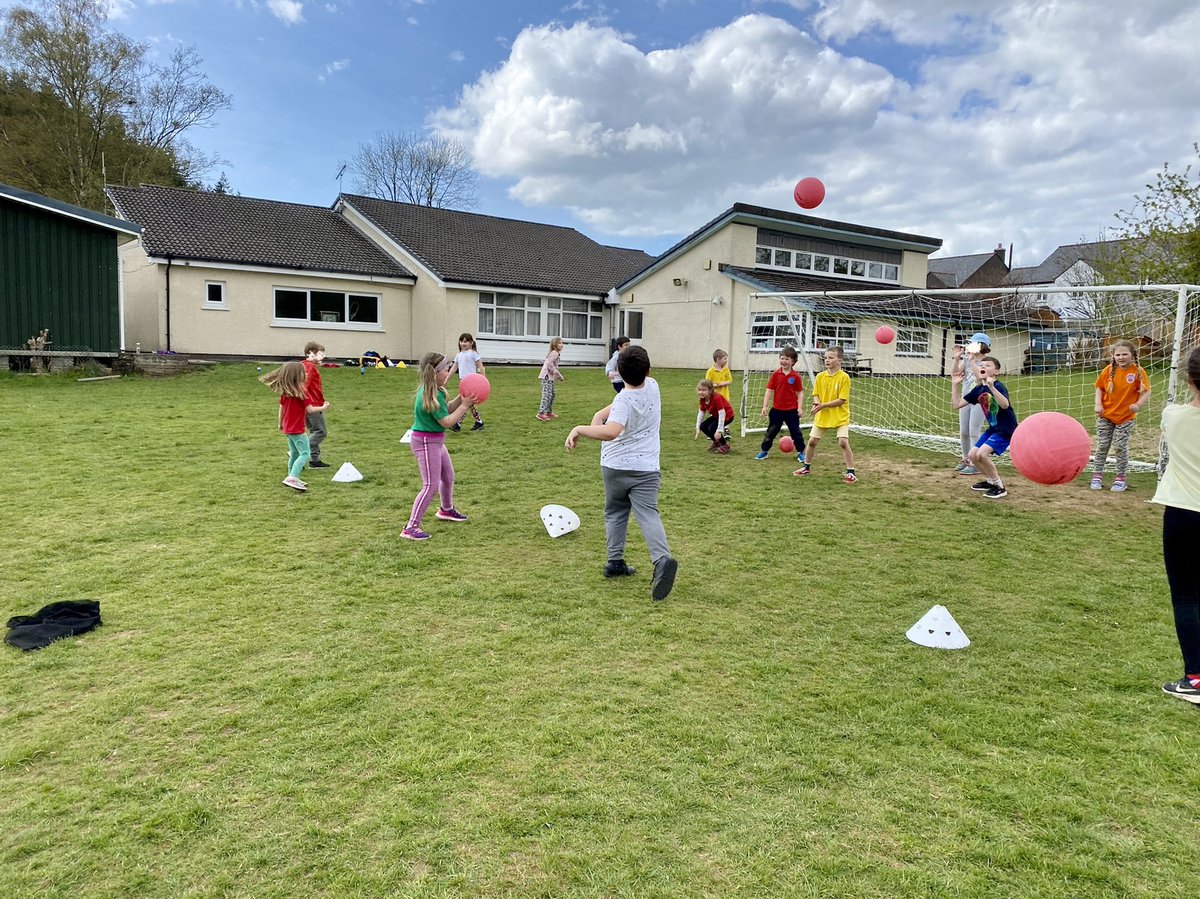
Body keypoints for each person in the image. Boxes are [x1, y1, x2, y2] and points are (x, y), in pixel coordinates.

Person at [566, 345, 678, 601]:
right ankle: (661, 559)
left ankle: (614, 560)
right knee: (648, 513)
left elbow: (612, 430)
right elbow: (619, 407)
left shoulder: (624, 400)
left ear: (617, 373)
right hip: (647, 469)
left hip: (615, 467)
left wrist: (580, 428)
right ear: (648, 370)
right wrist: (600, 413)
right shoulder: (653, 386)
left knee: (615, 511)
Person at [1153, 346, 1200, 704]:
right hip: (1184, 511)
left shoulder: (1173, 415)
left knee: (1186, 597)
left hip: (1184, 515)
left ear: (1187, 379)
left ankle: (1195, 679)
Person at [402, 352, 479, 541]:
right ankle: (411, 526)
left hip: (435, 441)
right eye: (446, 369)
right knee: (430, 485)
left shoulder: (438, 391)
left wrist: (462, 398)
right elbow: (446, 421)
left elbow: (448, 408)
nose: (449, 373)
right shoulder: (428, 396)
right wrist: (465, 406)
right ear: (435, 372)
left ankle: (446, 510)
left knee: (448, 476)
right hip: (426, 443)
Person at [951, 355, 1018, 499]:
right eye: (982, 365)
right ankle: (989, 481)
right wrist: (955, 384)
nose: (983, 367)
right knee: (972, 456)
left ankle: (999, 486)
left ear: (996, 371)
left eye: (988, 365)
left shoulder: (998, 386)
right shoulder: (978, 389)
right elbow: (956, 405)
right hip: (993, 429)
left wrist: (992, 387)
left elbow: (1005, 405)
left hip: (1006, 430)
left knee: (981, 454)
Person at [1091, 339, 1151, 492]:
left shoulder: (1138, 372)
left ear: (1132, 355)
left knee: (1120, 446)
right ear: (1113, 356)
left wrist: (1138, 404)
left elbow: (1147, 391)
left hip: (1126, 417)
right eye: (1118, 354)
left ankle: (1120, 479)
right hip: (1106, 415)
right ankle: (1097, 475)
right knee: (1103, 445)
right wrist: (1098, 404)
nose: (1121, 357)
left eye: (1125, 354)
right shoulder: (1108, 371)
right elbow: (1099, 388)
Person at [794, 346, 855, 482]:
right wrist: (817, 403)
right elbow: (816, 394)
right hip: (823, 415)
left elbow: (841, 400)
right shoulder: (820, 376)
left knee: (843, 442)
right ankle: (806, 467)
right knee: (812, 442)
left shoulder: (844, 377)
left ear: (840, 360)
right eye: (826, 357)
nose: (827, 360)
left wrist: (823, 405)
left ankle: (851, 472)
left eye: (831, 358)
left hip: (840, 416)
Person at [259, 360, 312, 492]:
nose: (306, 373)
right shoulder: (302, 394)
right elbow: (310, 410)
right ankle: (292, 477)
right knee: (305, 453)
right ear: (297, 376)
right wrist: (324, 407)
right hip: (298, 430)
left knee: (294, 453)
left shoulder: (286, 394)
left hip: (288, 429)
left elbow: (281, 410)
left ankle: (292, 476)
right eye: (303, 372)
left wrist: (280, 423)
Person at [755, 346, 806, 463]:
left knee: (796, 432)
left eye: (786, 359)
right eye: (782, 358)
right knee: (771, 432)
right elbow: (769, 391)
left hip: (792, 411)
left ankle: (801, 452)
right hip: (776, 411)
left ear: (793, 361)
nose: (783, 361)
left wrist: (799, 408)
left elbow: (800, 393)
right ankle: (764, 451)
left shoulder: (796, 377)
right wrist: (764, 407)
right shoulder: (775, 375)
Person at [951, 332, 990, 476]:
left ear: (981, 346)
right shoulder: (967, 360)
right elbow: (955, 374)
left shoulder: (987, 361)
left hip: (981, 399)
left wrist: (972, 360)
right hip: (966, 398)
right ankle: (965, 458)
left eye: (973, 343)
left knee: (974, 431)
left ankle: (975, 462)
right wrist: (956, 359)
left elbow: (981, 376)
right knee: (964, 431)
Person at [301, 341, 332, 469]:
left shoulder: (302, 365)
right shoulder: (310, 367)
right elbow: (304, 386)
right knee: (321, 432)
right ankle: (298, 451)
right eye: (320, 354)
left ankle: (315, 460)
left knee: (314, 431)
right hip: (312, 405)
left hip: (308, 404)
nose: (322, 357)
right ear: (310, 353)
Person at [450, 333, 485, 431]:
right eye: (461, 341)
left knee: (466, 402)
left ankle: (458, 424)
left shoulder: (473, 353)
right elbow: (453, 368)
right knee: (469, 404)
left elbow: (481, 367)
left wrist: (483, 380)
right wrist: (446, 379)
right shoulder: (459, 355)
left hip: (471, 382)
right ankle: (479, 422)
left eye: (465, 341)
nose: (463, 343)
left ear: (471, 343)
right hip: (462, 382)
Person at [695, 378, 734, 454]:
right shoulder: (702, 399)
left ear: (710, 390)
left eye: (703, 390)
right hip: (717, 416)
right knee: (703, 426)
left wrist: (719, 431)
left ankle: (725, 445)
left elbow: (722, 414)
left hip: (727, 416)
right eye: (699, 390)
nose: (701, 392)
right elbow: (701, 412)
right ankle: (717, 443)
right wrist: (697, 427)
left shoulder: (716, 397)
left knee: (712, 428)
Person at [537, 337, 565, 421]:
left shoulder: (555, 353)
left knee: (552, 394)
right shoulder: (554, 353)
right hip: (546, 377)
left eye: (562, 343)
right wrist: (558, 375)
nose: (561, 345)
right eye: (559, 343)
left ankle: (548, 411)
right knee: (547, 395)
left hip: (550, 378)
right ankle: (541, 413)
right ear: (554, 345)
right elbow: (549, 364)